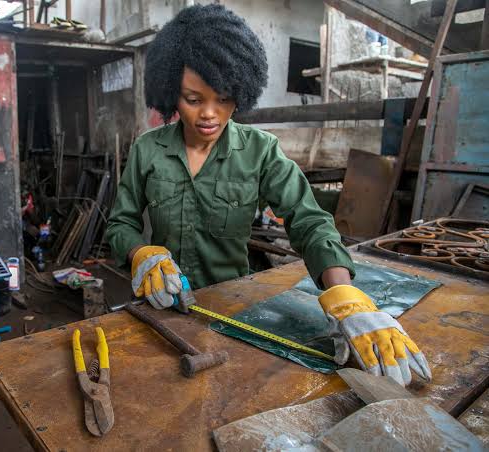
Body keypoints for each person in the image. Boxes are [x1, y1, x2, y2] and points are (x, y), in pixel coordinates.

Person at [104, 4, 430, 386]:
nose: (209, 114)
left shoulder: (262, 151)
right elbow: (120, 224)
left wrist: (344, 292)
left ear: (241, 91)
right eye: (193, 99)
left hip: (238, 313)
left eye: (223, 99)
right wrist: (139, 252)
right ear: (171, 93)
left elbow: (308, 220)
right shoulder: (147, 150)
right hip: (161, 311)